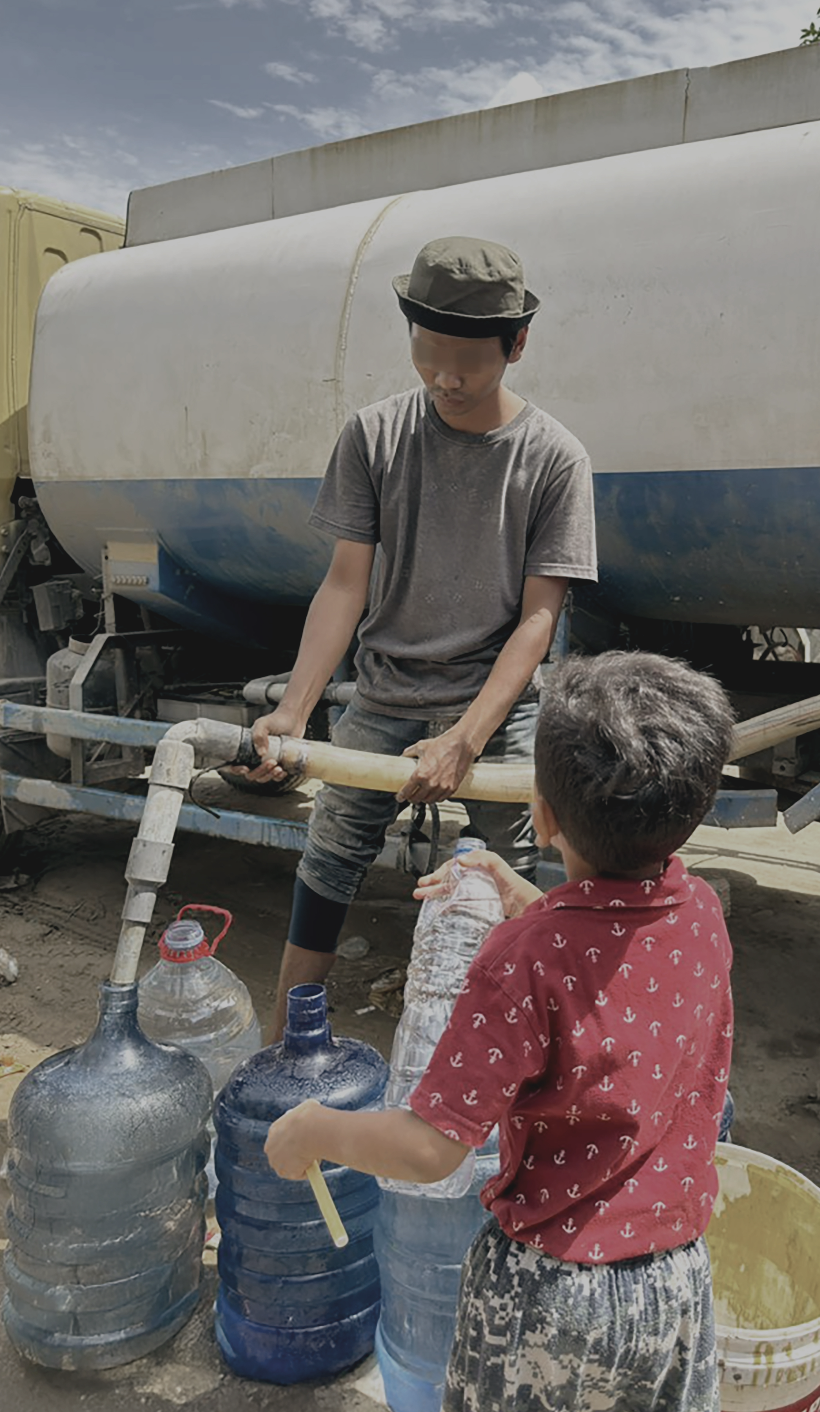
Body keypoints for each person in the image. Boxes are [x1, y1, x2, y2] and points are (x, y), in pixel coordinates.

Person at [265, 650, 736, 1412]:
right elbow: (607, 955)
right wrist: (523, 894)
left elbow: (430, 1148)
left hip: (548, 1295)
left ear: (541, 814)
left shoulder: (519, 961)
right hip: (674, 1282)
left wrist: (315, 1129)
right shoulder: (704, 913)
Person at [241, 236, 598, 1042]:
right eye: (426, 354)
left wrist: (465, 741)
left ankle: (528, 1052)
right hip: (383, 691)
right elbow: (344, 583)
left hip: (494, 709)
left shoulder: (554, 459)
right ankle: (282, 1046)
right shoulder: (373, 435)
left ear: (518, 346)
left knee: (528, 874)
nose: (444, 378)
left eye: (467, 362)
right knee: (329, 858)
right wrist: (295, 711)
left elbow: (538, 618)